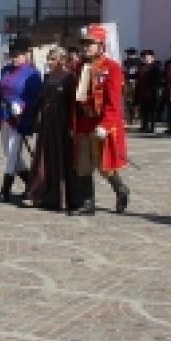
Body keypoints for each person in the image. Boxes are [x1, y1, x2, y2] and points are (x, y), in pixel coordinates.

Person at [70, 24, 130, 216]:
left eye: (91, 43)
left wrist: (105, 125)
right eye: (85, 43)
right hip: (83, 122)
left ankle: (121, 189)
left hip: (101, 122)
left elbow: (114, 102)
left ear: (101, 45)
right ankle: (88, 204)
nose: (86, 47)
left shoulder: (112, 68)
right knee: (83, 164)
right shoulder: (80, 67)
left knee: (104, 166)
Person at [0, 39, 42, 202]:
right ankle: (33, 185)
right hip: (5, 114)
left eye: (17, 55)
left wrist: (22, 106)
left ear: (25, 55)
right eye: (12, 55)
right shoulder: (6, 70)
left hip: (20, 118)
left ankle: (5, 190)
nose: (14, 58)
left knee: (13, 153)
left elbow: (36, 99)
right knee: (9, 153)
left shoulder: (33, 74)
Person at [24, 47, 75, 210]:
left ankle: (61, 198)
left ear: (61, 59)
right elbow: (41, 99)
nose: (50, 62)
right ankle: (41, 194)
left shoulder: (69, 78)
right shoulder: (46, 77)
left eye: (53, 59)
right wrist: (32, 118)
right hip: (47, 122)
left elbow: (72, 105)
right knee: (44, 159)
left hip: (61, 123)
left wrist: (72, 126)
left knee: (59, 159)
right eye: (49, 59)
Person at [135, 49, 161, 133]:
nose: (146, 58)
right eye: (145, 57)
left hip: (152, 91)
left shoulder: (155, 67)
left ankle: (152, 127)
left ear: (152, 58)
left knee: (152, 110)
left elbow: (157, 80)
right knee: (144, 109)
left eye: (148, 57)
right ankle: (144, 125)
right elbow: (137, 77)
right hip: (143, 91)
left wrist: (152, 89)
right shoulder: (141, 67)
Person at [121, 48, 141, 124]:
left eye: (129, 54)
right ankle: (129, 118)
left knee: (135, 101)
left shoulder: (138, 62)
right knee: (128, 101)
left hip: (135, 83)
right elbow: (123, 72)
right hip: (128, 83)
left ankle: (135, 117)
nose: (128, 56)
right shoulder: (126, 62)